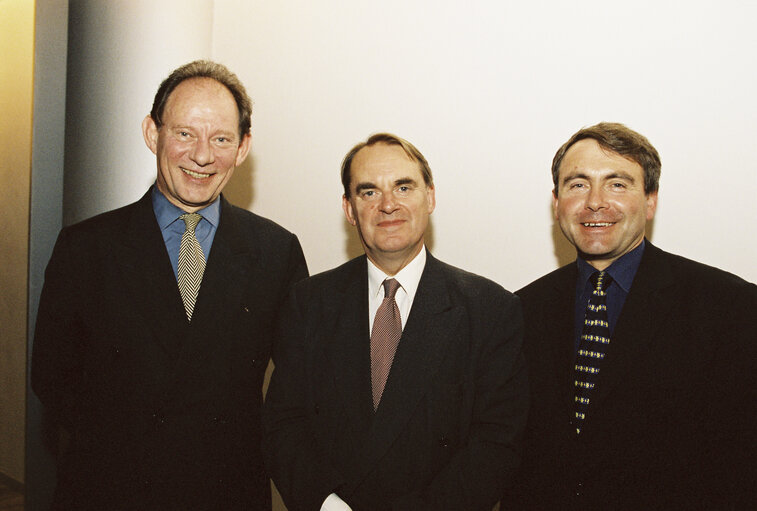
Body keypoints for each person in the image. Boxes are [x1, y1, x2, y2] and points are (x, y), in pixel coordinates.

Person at [31, 60, 308, 510]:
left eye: (221, 138)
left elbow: (300, 388)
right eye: (184, 133)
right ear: (151, 133)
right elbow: (52, 375)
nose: (202, 156)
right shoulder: (86, 248)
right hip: (110, 492)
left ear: (243, 147)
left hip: (225, 493)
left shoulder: (276, 253)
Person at [263, 133, 528, 511]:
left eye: (403, 187)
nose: (388, 205)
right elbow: (284, 425)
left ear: (430, 197)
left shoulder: (490, 310)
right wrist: (327, 505)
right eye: (369, 192)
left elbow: (497, 442)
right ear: (349, 208)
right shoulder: (308, 304)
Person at [503, 122, 756, 509]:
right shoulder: (518, 310)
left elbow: (741, 467)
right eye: (578, 184)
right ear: (556, 202)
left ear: (651, 200)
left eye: (617, 184)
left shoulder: (729, 308)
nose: (596, 202)